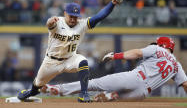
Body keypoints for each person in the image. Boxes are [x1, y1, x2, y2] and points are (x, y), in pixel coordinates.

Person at [17, 0, 125, 102]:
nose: (73, 19)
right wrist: (50, 22)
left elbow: (99, 16)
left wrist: (112, 3)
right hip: (51, 62)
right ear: (65, 14)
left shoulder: (82, 24)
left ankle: (83, 94)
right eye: (71, 16)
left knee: (83, 61)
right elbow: (49, 24)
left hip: (69, 59)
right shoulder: (58, 22)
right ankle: (30, 92)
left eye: (75, 16)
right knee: (37, 85)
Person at [40, 37, 187, 102]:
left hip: (135, 77)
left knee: (93, 84)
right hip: (142, 93)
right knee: (106, 101)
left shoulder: (156, 48)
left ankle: (58, 89)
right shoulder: (177, 66)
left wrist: (116, 56)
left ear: (162, 45)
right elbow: (185, 85)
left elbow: (136, 53)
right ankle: (111, 96)